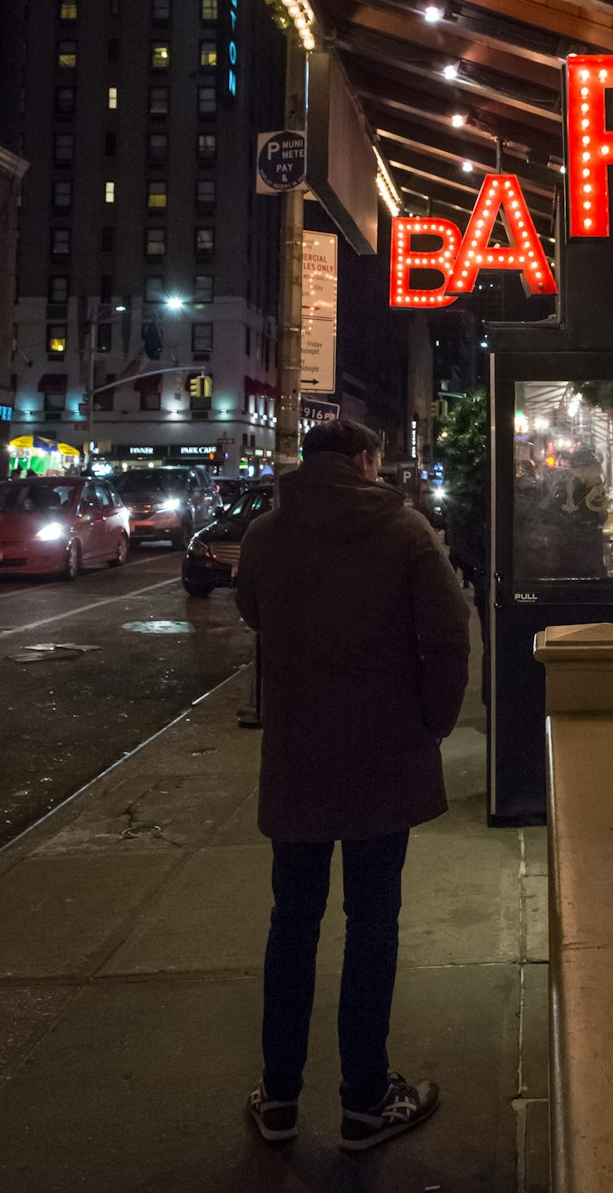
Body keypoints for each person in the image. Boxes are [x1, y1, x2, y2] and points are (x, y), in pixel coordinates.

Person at [235, 418, 470, 1154]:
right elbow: (449, 632)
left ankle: (278, 1099)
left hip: (299, 755)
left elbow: (252, 611)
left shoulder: (268, 534)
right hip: (382, 756)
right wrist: (432, 722)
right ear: (367, 459)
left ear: (309, 461)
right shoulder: (404, 532)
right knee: (373, 927)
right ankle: (365, 1102)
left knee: (291, 927)